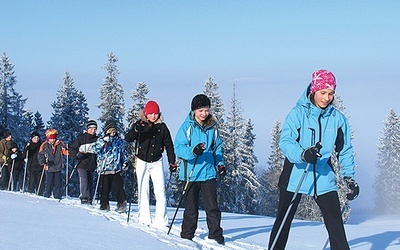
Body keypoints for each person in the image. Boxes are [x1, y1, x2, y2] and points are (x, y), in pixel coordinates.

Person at [268, 69, 359, 250]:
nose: (327, 98)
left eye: (331, 93)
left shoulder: (338, 119)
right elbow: (285, 142)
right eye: (323, 93)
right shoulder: (298, 113)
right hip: (295, 174)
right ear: (313, 91)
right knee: (283, 223)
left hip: (323, 176)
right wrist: (303, 154)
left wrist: (350, 179)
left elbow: (345, 150)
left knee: (336, 228)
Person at [174, 94, 226, 245]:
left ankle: (216, 235)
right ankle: (187, 235)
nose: (204, 114)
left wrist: (220, 164)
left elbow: (218, 149)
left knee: (212, 207)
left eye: (206, 110)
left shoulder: (213, 127)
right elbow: (179, 148)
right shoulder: (187, 127)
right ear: (194, 111)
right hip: (191, 173)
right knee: (191, 208)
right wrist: (192, 152)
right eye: (200, 110)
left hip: (208, 172)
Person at [125, 100, 177, 228]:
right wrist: (137, 129)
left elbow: (169, 145)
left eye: (156, 113)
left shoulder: (163, 127)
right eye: (151, 113)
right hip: (142, 161)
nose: (153, 116)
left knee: (160, 192)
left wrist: (172, 162)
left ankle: (161, 221)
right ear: (146, 114)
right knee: (143, 190)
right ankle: (144, 218)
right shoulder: (141, 125)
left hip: (157, 162)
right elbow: (128, 138)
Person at [93, 120, 128, 212]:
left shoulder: (119, 141)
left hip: (116, 168)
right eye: (110, 130)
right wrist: (103, 141)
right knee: (105, 188)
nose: (112, 132)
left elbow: (123, 153)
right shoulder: (101, 140)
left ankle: (122, 204)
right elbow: (95, 149)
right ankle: (104, 205)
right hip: (104, 168)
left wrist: (125, 162)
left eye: (114, 130)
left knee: (119, 187)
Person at [70, 120, 98, 204]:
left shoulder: (97, 139)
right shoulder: (81, 138)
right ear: (87, 129)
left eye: (94, 129)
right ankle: (84, 197)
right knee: (84, 179)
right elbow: (72, 149)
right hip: (82, 162)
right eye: (91, 129)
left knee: (90, 180)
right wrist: (78, 154)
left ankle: (90, 197)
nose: (93, 131)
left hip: (92, 163)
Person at [37, 128, 69, 200]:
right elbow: (40, 154)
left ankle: (57, 195)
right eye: (51, 138)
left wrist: (66, 150)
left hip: (58, 165)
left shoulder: (60, 144)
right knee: (49, 182)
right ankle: (47, 194)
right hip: (49, 165)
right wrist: (43, 162)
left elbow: (65, 153)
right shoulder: (44, 145)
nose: (52, 140)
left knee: (58, 182)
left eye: (54, 138)